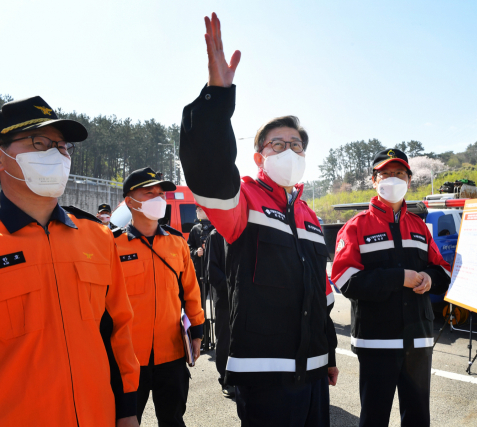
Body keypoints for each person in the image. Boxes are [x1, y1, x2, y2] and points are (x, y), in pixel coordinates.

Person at [179, 12, 338, 426]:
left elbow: (320, 294)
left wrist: (331, 353)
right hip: (264, 375)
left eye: (297, 145)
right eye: (278, 144)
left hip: (315, 369)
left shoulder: (309, 216)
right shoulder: (243, 200)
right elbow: (209, 173)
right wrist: (217, 97)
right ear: (259, 156)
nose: (289, 150)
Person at [0, 96, 140, 427]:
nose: (56, 155)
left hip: (99, 416)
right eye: (39, 143)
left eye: (62, 147)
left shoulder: (97, 236)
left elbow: (117, 328)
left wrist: (127, 410)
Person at [331, 149, 452, 427]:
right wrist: (399, 277)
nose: (393, 179)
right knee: (374, 418)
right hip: (376, 342)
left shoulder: (420, 227)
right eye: (385, 174)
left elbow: (443, 269)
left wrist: (431, 279)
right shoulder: (355, 227)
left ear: (409, 180)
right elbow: (345, 280)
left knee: (419, 418)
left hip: (418, 341)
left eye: (399, 174)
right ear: (374, 180)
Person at [113, 167, 205, 427]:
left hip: (172, 354)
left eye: (160, 193)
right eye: (149, 192)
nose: (158, 198)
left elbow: (191, 292)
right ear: (130, 201)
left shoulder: (177, 243)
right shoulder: (112, 245)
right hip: (129, 357)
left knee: (173, 419)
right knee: (126, 420)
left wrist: (197, 333)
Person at [203, 226, 234, 398]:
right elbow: (212, 271)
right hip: (225, 299)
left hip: (243, 298)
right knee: (225, 340)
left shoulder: (243, 231)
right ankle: (226, 379)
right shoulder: (216, 236)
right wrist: (231, 288)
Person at [187, 206, 213, 307]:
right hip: (200, 269)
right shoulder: (195, 229)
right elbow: (188, 247)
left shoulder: (216, 228)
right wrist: (196, 252)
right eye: (197, 209)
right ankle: (202, 321)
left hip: (214, 267)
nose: (197, 211)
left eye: (200, 209)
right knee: (200, 298)